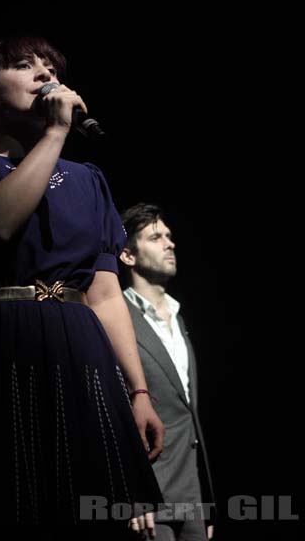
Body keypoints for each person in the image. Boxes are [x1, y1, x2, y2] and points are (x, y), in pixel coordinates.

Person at [0, 36, 165, 536]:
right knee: (1, 495)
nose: (43, 74)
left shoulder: (88, 179)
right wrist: (55, 134)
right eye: (24, 66)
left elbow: (105, 292)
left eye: (49, 67)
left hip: (79, 341)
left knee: (90, 499)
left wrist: (138, 389)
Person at [119, 203, 216, 541]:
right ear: (128, 255)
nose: (170, 244)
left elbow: (187, 414)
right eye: (156, 237)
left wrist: (205, 501)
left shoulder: (179, 317)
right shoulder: (117, 319)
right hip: (149, 499)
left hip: (190, 497)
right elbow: (111, 413)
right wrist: (132, 496)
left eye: (170, 237)